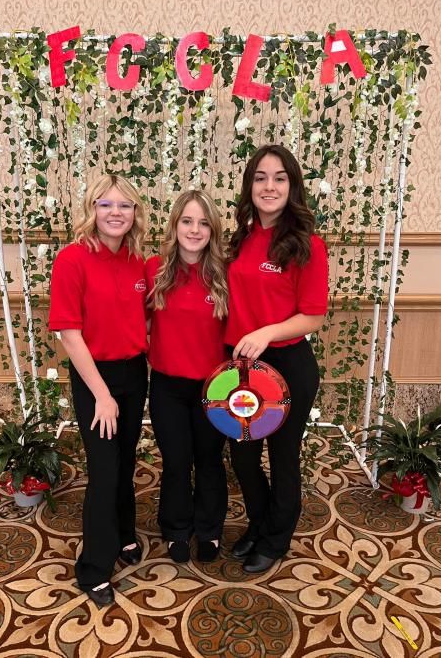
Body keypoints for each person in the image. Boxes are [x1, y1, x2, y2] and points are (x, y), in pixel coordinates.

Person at [226, 144, 329, 574]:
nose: (269, 186)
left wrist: (265, 332)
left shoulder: (307, 245)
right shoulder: (241, 238)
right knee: (243, 456)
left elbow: (313, 316)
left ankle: (276, 538)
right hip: (241, 368)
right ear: (250, 186)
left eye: (279, 178)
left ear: (292, 186)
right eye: (261, 178)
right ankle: (259, 523)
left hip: (288, 366)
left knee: (283, 456)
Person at [49, 174, 148, 607]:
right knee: (105, 471)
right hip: (95, 378)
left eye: (124, 205)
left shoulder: (137, 260)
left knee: (125, 460)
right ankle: (93, 567)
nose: (115, 212)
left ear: (135, 212)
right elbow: (70, 335)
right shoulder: (71, 259)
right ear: (92, 210)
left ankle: (125, 533)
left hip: (134, 373)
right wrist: (102, 395)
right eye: (105, 204)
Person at [145, 190, 229, 564]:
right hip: (167, 387)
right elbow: (136, 320)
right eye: (187, 221)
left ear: (213, 230)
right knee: (177, 461)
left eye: (203, 223)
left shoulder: (224, 275)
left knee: (209, 460)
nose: (195, 230)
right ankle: (176, 527)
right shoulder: (154, 270)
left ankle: (209, 528)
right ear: (175, 225)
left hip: (214, 388)